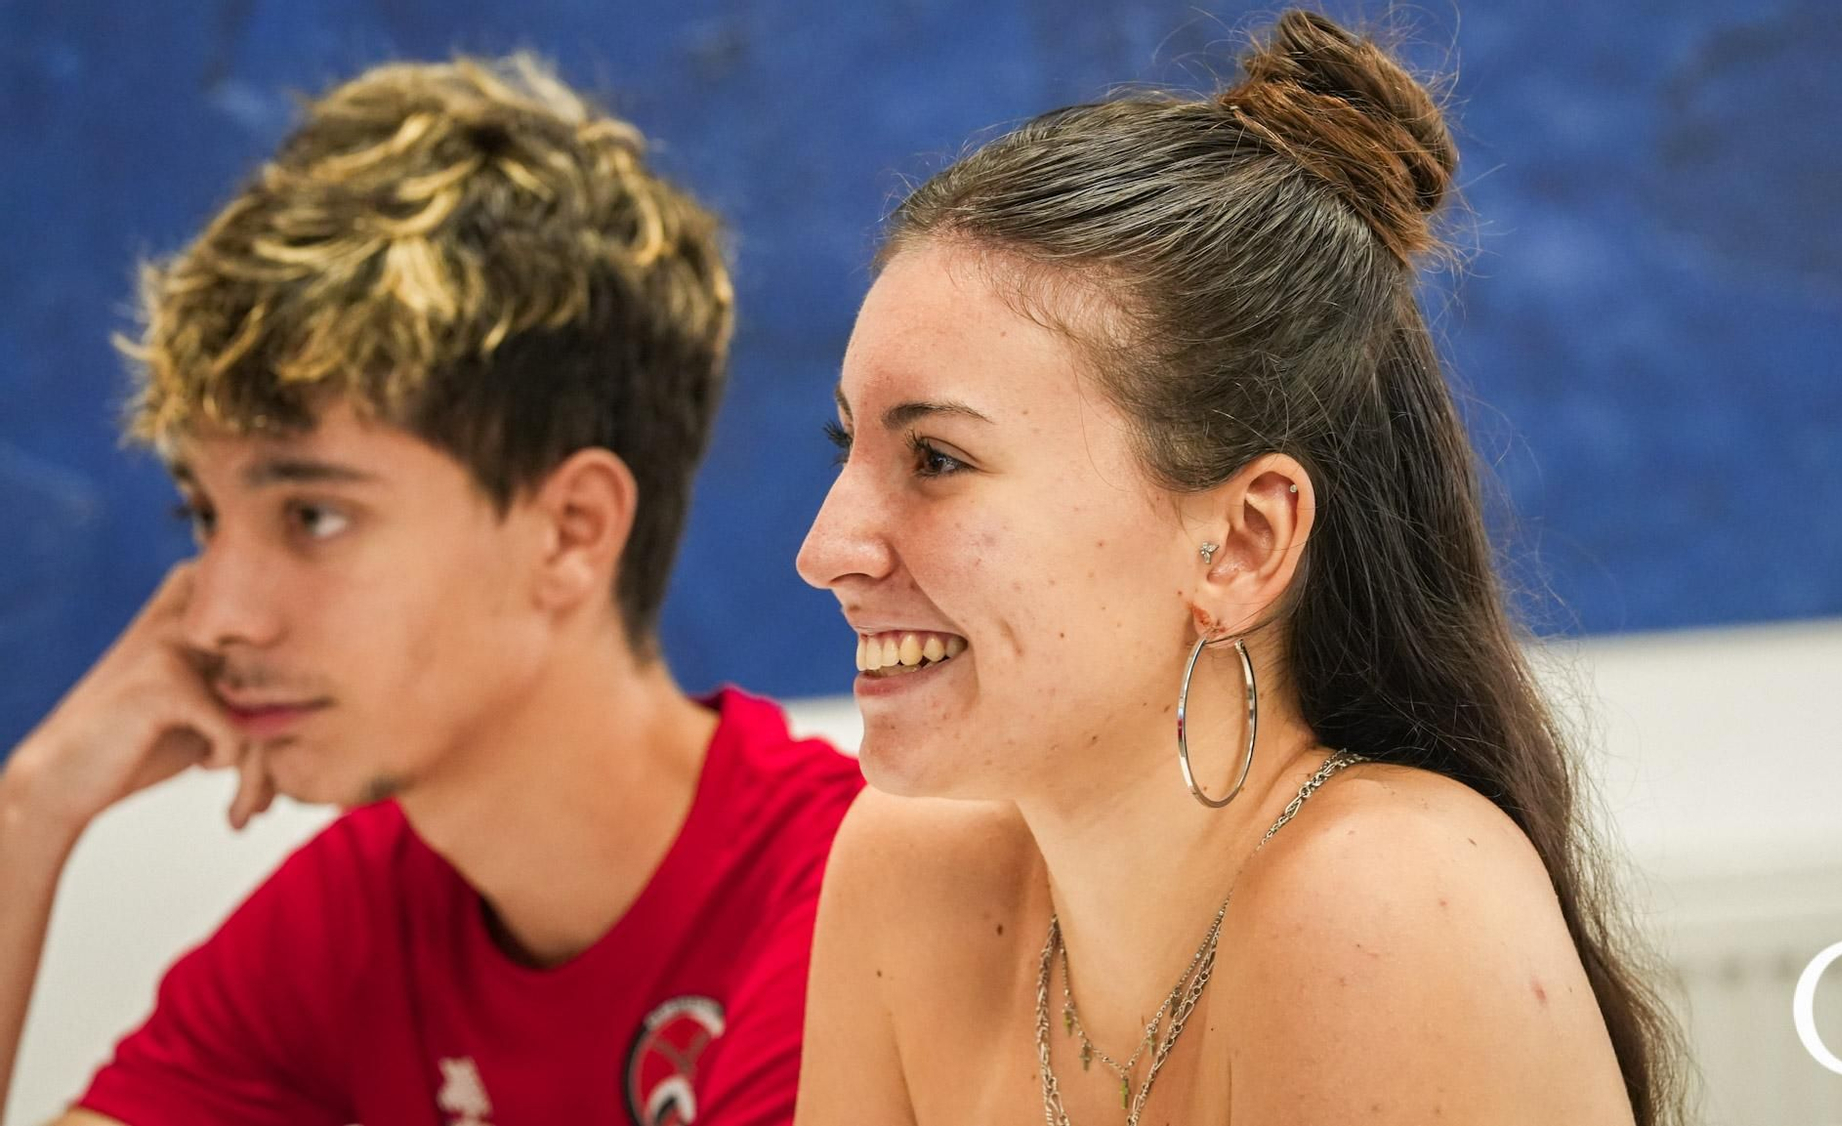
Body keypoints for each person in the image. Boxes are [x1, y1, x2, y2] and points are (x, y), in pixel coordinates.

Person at [794, 10, 1688, 1126]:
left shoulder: (1381, 901)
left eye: (936, 457)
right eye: (850, 447)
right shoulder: (905, 875)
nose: (825, 549)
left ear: (1243, 543)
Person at [0, 55, 861, 1126]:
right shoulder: (349, 918)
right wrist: (33, 808)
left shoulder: (853, 907)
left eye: (313, 516)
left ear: (569, 530)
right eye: (203, 517)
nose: (216, 615)